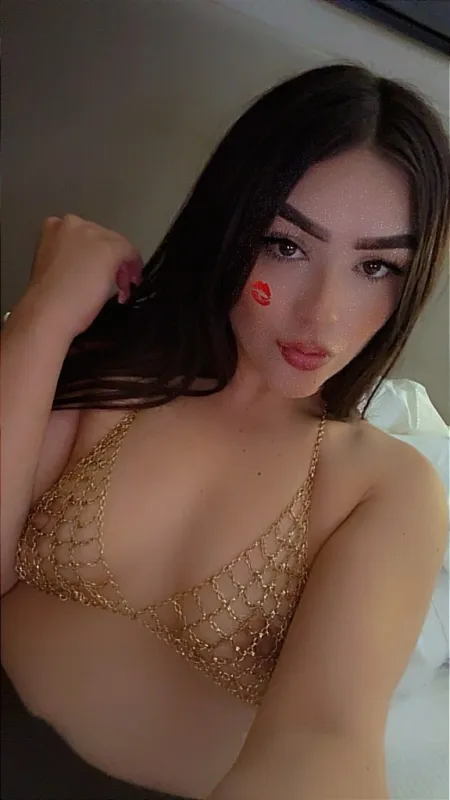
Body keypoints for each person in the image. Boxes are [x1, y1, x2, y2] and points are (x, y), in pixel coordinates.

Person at [1, 62, 449, 800]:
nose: (322, 315)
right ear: (229, 229)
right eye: (286, 245)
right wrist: (45, 313)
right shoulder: (106, 373)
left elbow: (326, 736)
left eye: (376, 266)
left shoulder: (385, 487)